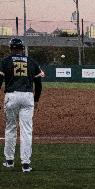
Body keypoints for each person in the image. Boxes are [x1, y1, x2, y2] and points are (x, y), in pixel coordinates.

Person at [0, 38, 43, 173]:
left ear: (10, 48)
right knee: (26, 131)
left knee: (10, 128)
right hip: (27, 97)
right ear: (22, 48)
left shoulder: (5, 61)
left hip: (11, 96)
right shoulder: (32, 61)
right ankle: (25, 164)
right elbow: (39, 84)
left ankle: (9, 161)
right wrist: (36, 100)